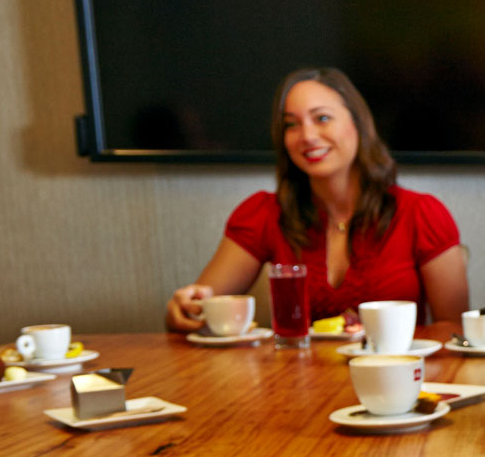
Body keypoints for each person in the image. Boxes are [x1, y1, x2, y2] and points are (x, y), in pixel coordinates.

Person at [165, 68, 467, 332]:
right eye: (291, 124)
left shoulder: (421, 213)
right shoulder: (264, 213)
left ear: (358, 125)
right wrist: (184, 308)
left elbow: (453, 330)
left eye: (322, 118)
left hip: (394, 375)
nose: (307, 136)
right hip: (297, 377)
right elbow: (197, 312)